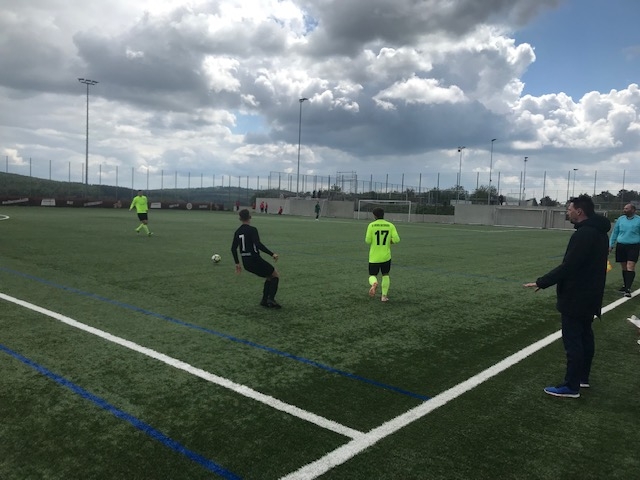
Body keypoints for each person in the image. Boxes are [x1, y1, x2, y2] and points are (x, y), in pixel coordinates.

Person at [524, 194, 611, 398]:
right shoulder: (599, 233)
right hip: (591, 294)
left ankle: (571, 386)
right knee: (585, 336)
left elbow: (569, 266)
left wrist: (542, 282)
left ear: (579, 211)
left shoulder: (584, 234)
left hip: (577, 295)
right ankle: (582, 378)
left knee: (574, 341)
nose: (567, 212)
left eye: (569, 209)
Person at [231, 209, 281, 308]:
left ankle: (264, 300)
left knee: (269, 276)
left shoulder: (238, 231)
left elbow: (233, 249)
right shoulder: (252, 229)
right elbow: (258, 244)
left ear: (240, 218)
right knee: (275, 275)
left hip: (246, 263)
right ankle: (271, 299)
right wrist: (272, 254)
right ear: (250, 217)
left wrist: (237, 263)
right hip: (255, 259)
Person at [365, 207, 400, 302]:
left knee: (372, 275)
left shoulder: (371, 225)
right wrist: (389, 242)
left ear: (374, 216)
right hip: (386, 256)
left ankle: (374, 283)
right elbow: (397, 239)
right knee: (385, 275)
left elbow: (368, 241)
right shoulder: (390, 225)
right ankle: (384, 297)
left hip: (374, 256)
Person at [609, 203, 640, 298]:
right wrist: (611, 244)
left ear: (633, 210)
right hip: (621, 245)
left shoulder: (638, 220)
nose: (624, 210)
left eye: (627, 208)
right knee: (624, 267)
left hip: (633, 246)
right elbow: (615, 232)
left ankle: (628, 289)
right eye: (624, 208)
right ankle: (625, 285)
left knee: (630, 266)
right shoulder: (621, 219)